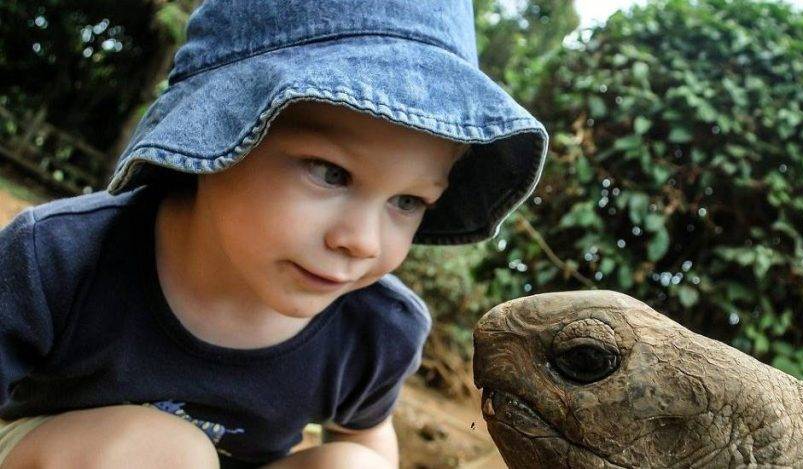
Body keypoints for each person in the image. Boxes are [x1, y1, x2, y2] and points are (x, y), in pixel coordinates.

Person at [0, 1, 547, 467]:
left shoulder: (376, 329)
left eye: (407, 202)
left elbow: (364, 435)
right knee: (164, 453)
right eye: (330, 172)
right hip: (48, 447)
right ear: (219, 134)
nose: (362, 241)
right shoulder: (59, 258)